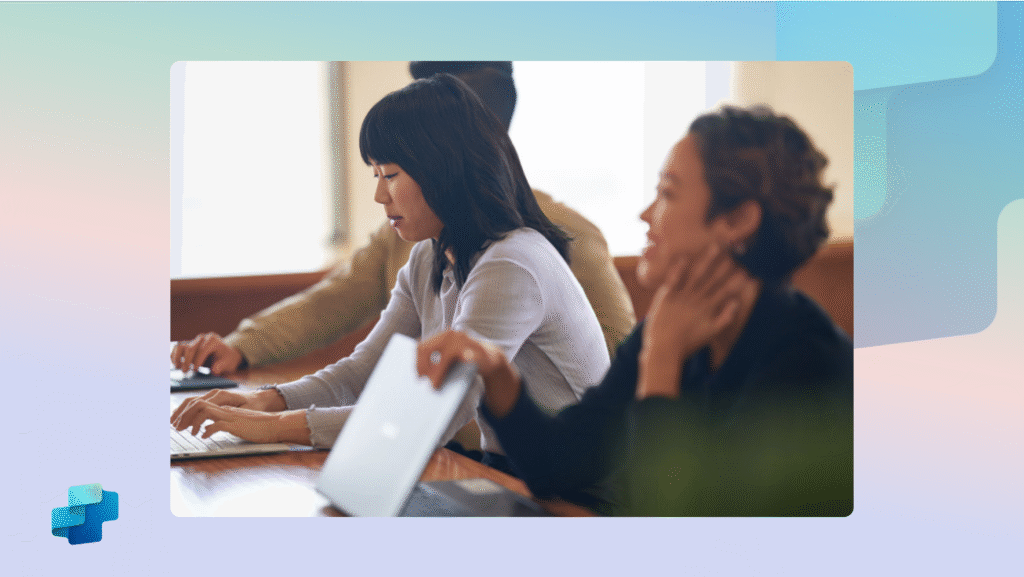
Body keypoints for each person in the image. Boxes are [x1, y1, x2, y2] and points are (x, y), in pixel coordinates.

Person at [419, 106, 854, 516]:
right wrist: (497, 372)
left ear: (738, 219)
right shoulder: (664, 331)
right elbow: (558, 465)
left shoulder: (810, 366)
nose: (646, 214)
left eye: (667, 193)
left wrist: (661, 365)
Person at [171, 74, 611, 462]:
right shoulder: (429, 255)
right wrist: (267, 401)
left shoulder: (512, 262)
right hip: (516, 473)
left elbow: (431, 419)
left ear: (445, 171)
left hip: (583, 497)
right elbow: (363, 371)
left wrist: (267, 429)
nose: (380, 197)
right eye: (375, 175)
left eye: (392, 174)